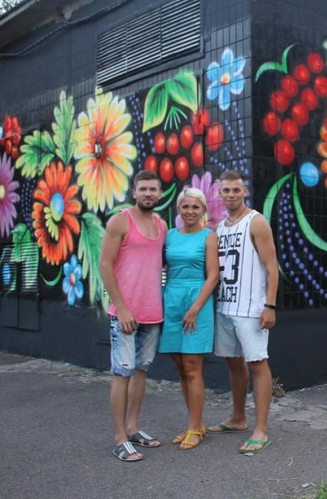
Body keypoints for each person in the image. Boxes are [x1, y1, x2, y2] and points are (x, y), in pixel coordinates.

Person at [100, 169, 167, 462]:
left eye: (153, 189)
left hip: (152, 314)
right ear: (134, 192)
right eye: (143, 189)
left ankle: (133, 427)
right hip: (125, 314)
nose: (148, 194)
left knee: (141, 371)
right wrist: (122, 306)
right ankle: (119, 438)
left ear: (160, 194)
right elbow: (105, 264)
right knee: (122, 372)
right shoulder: (120, 221)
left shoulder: (161, 225)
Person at [210, 170, 279, 454]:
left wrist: (270, 305)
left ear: (245, 191)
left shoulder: (257, 221)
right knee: (233, 362)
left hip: (251, 308)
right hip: (225, 305)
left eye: (235, 190)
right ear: (220, 194)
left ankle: (260, 430)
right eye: (226, 190)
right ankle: (238, 418)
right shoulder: (220, 227)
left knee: (257, 363)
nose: (230, 195)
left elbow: (272, 267)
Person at [158, 187, 219, 450]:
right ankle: (194, 424)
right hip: (171, 300)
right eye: (185, 206)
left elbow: (213, 276)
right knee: (180, 367)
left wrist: (195, 308)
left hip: (198, 302)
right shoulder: (170, 236)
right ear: (179, 210)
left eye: (196, 207)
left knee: (193, 366)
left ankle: (195, 427)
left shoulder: (209, 236)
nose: (190, 211)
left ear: (204, 211)